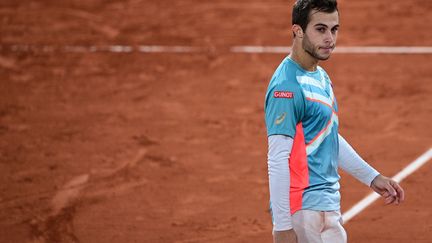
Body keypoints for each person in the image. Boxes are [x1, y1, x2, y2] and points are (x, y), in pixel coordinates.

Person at [264, 0, 405, 242]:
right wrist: (282, 227)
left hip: (327, 206)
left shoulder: (320, 76)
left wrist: (371, 177)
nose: (330, 38)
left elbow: (326, 136)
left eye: (334, 29)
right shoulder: (286, 88)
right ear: (297, 31)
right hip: (304, 211)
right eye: (320, 29)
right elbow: (277, 159)